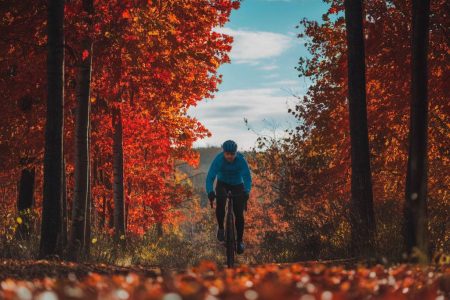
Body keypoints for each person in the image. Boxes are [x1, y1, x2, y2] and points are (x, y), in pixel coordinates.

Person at [205, 140, 252, 254]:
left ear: (236, 153)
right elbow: (210, 177)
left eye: (232, 154)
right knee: (220, 204)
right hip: (222, 183)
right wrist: (210, 191)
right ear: (224, 152)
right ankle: (221, 228)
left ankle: (240, 241)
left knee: (239, 214)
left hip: (237, 184)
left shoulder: (241, 160)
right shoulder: (219, 160)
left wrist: (246, 191)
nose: (230, 156)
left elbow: (247, 178)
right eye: (227, 154)